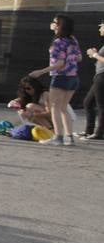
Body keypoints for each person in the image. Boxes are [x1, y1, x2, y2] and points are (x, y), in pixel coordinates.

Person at [28, 14, 82, 146]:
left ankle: (58, 137)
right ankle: (69, 137)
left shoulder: (58, 42)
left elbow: (60, 63)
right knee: (63, 108)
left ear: (59, 26)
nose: (51, 24)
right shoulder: (73, 40)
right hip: (73, 78)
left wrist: (40, 72)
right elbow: (79, 58)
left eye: (54, 22)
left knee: (55, 108)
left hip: (60, 78)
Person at [83, 21, 104, 141]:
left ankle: (99, 133)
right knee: (88, 102)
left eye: (101, 26)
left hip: (102, 76)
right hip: (99, 76)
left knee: (101, 106)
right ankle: (89, 131)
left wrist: (95, 55)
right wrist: (95, 55)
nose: (100, 28)